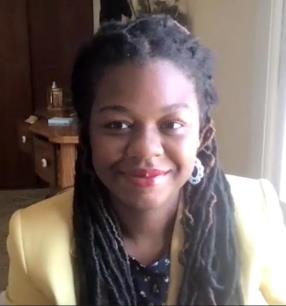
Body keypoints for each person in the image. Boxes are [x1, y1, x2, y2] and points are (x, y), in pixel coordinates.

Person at [4, 15, 286, 305]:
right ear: (87, 133)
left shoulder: (258, 216)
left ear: (202, 134)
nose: (145, 150)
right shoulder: (34, 238)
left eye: (172, 124)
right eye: (118, 125)